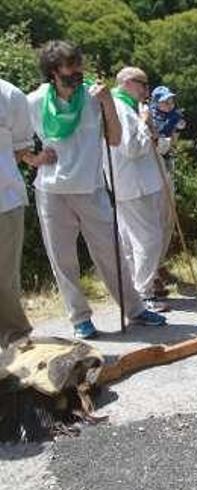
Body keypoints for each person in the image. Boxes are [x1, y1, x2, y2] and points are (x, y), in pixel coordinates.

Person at [23, 40, 166, 339]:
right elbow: (13, 136)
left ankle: (135, 308)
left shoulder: (93, 97)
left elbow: (114, 140)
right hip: (51, 190)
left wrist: (107, 104)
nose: (77, 72)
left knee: (111, 252)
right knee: (62, 259)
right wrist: (33, 158)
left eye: (79, 65)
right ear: (53, 72)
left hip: (91, 187)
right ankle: (80, 319)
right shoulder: (34, 101)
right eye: (70, 67)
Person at [105, 66, 168, 312]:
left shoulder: (122, 105)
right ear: (129, 82)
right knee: (150, 240)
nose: (146, 90)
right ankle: (143, 294)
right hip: (134, 183)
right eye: (143, 84)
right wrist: (144, 123)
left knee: (132, 241)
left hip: (134, 182)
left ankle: (134, 293)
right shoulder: (120, 108)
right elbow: (131, 148)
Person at [0, 78, 35, 348]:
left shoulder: (10, 95)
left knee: (4, 280)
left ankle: (15, 340)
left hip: (4, 201)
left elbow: (22, 147)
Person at [148, 84, 185, 296]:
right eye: (164, 100)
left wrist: (174, 133)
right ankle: (152, 272)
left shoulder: (174, 118)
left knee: (168, 221)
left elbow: (173, 145)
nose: (169, 104)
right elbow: (161, 145)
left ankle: (160, 264)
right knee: (154, 222)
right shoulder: (149, 118)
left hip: (167, 171)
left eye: (171, 100)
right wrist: (169, 135)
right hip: (152, 174)